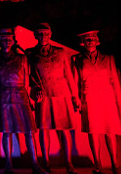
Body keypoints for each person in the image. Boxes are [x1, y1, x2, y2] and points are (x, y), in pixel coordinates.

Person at [0, 28, 46, 174]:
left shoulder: (22, 58)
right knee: (6, 132)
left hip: (21, 96)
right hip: (3, 97)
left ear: (13, 40)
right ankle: (8, 165)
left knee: (28, 131)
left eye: (9, 38)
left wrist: (28, 96)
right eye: (3, 38)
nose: (6, 40)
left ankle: (34, 164)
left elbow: (27, 80)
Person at [26, 22, 80, 174]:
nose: (42, 36)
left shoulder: (60, 52)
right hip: (43, 95)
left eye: (45, 33)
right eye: (39, 33)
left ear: (50, 35)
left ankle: (68, 162)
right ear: (35, 35)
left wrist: (74, 96)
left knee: (64, 129)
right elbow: (30, 76)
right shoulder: (30, 53)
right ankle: (46, 161)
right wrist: (35, 90)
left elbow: (68, 75)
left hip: (61, 93)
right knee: (44, 129)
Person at [72, 30, 121, 174]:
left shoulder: (108, 58)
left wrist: (119, 101)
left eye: (93, 39)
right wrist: (77, 99)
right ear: (82, 43)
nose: (90, 42)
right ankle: (97, 164)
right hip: (89, 99)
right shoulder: (78, 60)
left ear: (98, 41)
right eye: (87, 40)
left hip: (107, 99)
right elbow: (76, 82)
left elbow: (116, 82)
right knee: (93, 132)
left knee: (109, 131)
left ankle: (114, 164)